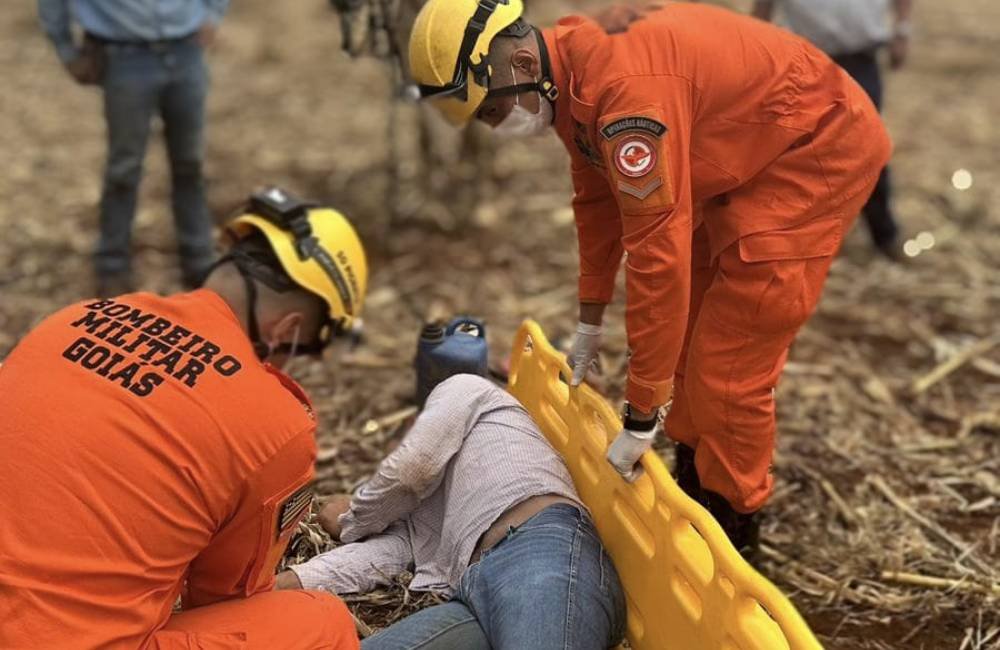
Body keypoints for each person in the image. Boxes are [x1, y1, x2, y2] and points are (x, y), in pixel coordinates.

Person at [406, 0, 891, 555]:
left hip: (814, 147)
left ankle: (737, 526)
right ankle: (695, 481)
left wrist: (640, 413)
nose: (495, 128)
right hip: (750, 146)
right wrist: (591, 319)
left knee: (729, 368)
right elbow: (596, 199)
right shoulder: (567, 71)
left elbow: (658, 258)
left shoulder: (626, 94)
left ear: (518, 63)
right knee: (688, 347)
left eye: (491, 112)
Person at [0, 188, 367, 649]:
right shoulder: (275, 421)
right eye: (307, 348)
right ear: (290, 331)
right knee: (320, 622)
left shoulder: (73, 318)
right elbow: (223, 597)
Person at [279, 373, 627, 650]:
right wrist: (278, 585)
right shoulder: (423, 515)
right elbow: (378, 558)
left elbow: (410, 469)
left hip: (540, 550)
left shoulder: (466, 388)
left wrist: (351, 518)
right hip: (476, 593)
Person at [38, 0, 229, 296]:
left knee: (190, 163)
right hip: (124, 57)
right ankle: (112, 266)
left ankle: (199, 260)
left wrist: (213, 14)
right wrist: (65, 49)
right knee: (124, 168)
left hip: (186, 51)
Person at [752, 0, 913, 260]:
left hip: (861, 59)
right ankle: (789, 238)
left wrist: (903, 30)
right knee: (795, 149)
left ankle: (885, 235)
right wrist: (759, 46)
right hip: (803, 57)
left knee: (868, 148)